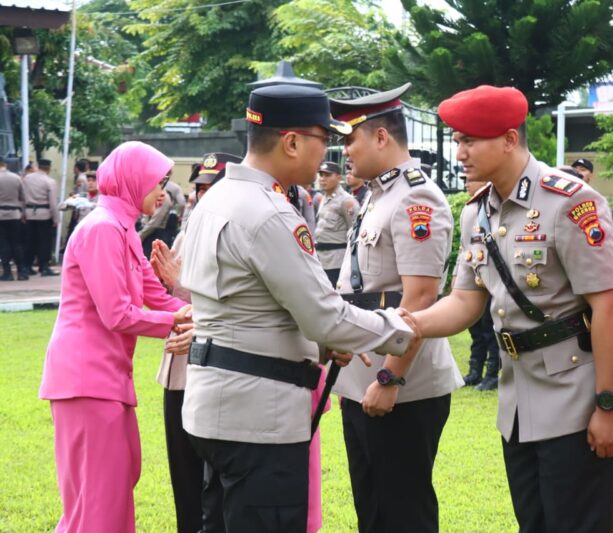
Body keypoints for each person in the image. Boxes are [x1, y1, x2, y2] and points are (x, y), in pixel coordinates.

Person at [179, 83, 417, 533]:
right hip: (258, 420)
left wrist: (318, 347)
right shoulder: (271, 213)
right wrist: (400, 329)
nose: (330, 154)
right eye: (323, 141)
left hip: (214, 408)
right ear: (291, 142)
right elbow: (323, 315)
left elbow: (242, 305)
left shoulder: (214, 202)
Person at [406, 85, 613, 533]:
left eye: (470, 140)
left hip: (576, 393)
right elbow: (464, 302)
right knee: (533, 523)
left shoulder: (570, 201)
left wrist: (608, 405)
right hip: (518, 398)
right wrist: (404, 324)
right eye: (457, 140)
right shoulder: (478, 213)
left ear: (509, 140)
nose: (460, 152)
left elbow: (607, 305)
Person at [38, 141, 194, 532]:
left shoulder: (121, 227)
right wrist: (178, 324)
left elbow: (154, 294)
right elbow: (117, 312)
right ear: (132, 180)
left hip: (106, 379)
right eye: (156, 181)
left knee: (116, 483)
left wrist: (203, 316)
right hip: (86, 381)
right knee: (97, 499)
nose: (163, 191)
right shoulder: (103, 229)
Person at [329, 82, 463, 533]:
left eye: (351, 139)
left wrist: (391, 376)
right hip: (362, 376)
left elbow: (421, 297)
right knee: (373, 510)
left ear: (381, 137)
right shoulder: (377, 194)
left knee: (402, 513)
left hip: (402, 382)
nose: (344, 150)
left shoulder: (414, 197)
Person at [151, 152, 241, 533]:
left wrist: (177, 281)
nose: (201, 195)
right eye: (199, 188)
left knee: (211, 481)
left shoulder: (235, 232)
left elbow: (230, 300)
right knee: (183, 475)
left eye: (210, 187)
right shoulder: (189, 231)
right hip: (179, 366)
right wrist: (162, 282)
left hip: (213, 362)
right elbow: (173, 294)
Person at [459, 177, 501, 391]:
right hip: (474, 280)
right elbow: (464, 250)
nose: (466, 183)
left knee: (490, 330)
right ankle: (475, 371)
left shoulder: (497, 207)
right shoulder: (470, 210)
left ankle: (492, 374)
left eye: (470, 180)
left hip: (493, 281)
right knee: (475, 330)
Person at [315, 160, 359, 287]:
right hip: (321, 259)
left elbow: (355, 232)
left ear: (339, 177)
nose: (323, 179)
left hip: (336, 262)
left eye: (327, 175)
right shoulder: (324, 198)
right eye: (321, 175)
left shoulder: (347, 201)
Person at [22, 158, 58, 276]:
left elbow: (22, 197)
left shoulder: (26, 179)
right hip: (44, 215)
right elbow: (53, 202)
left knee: (29, 241)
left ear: (38, 166)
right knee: (44, 242)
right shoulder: (50, 181)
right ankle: (44, 267)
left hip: (29, 213)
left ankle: (27, 266)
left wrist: (23, 213)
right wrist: (55, 218)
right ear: (48, 168)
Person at [0, 156, 28, 280]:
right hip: (15, 214)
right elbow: (23, 197)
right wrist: (23, 212)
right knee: (17, 243)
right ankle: (21, 271)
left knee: (3, 244)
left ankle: (7, 272)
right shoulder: (16, 178)